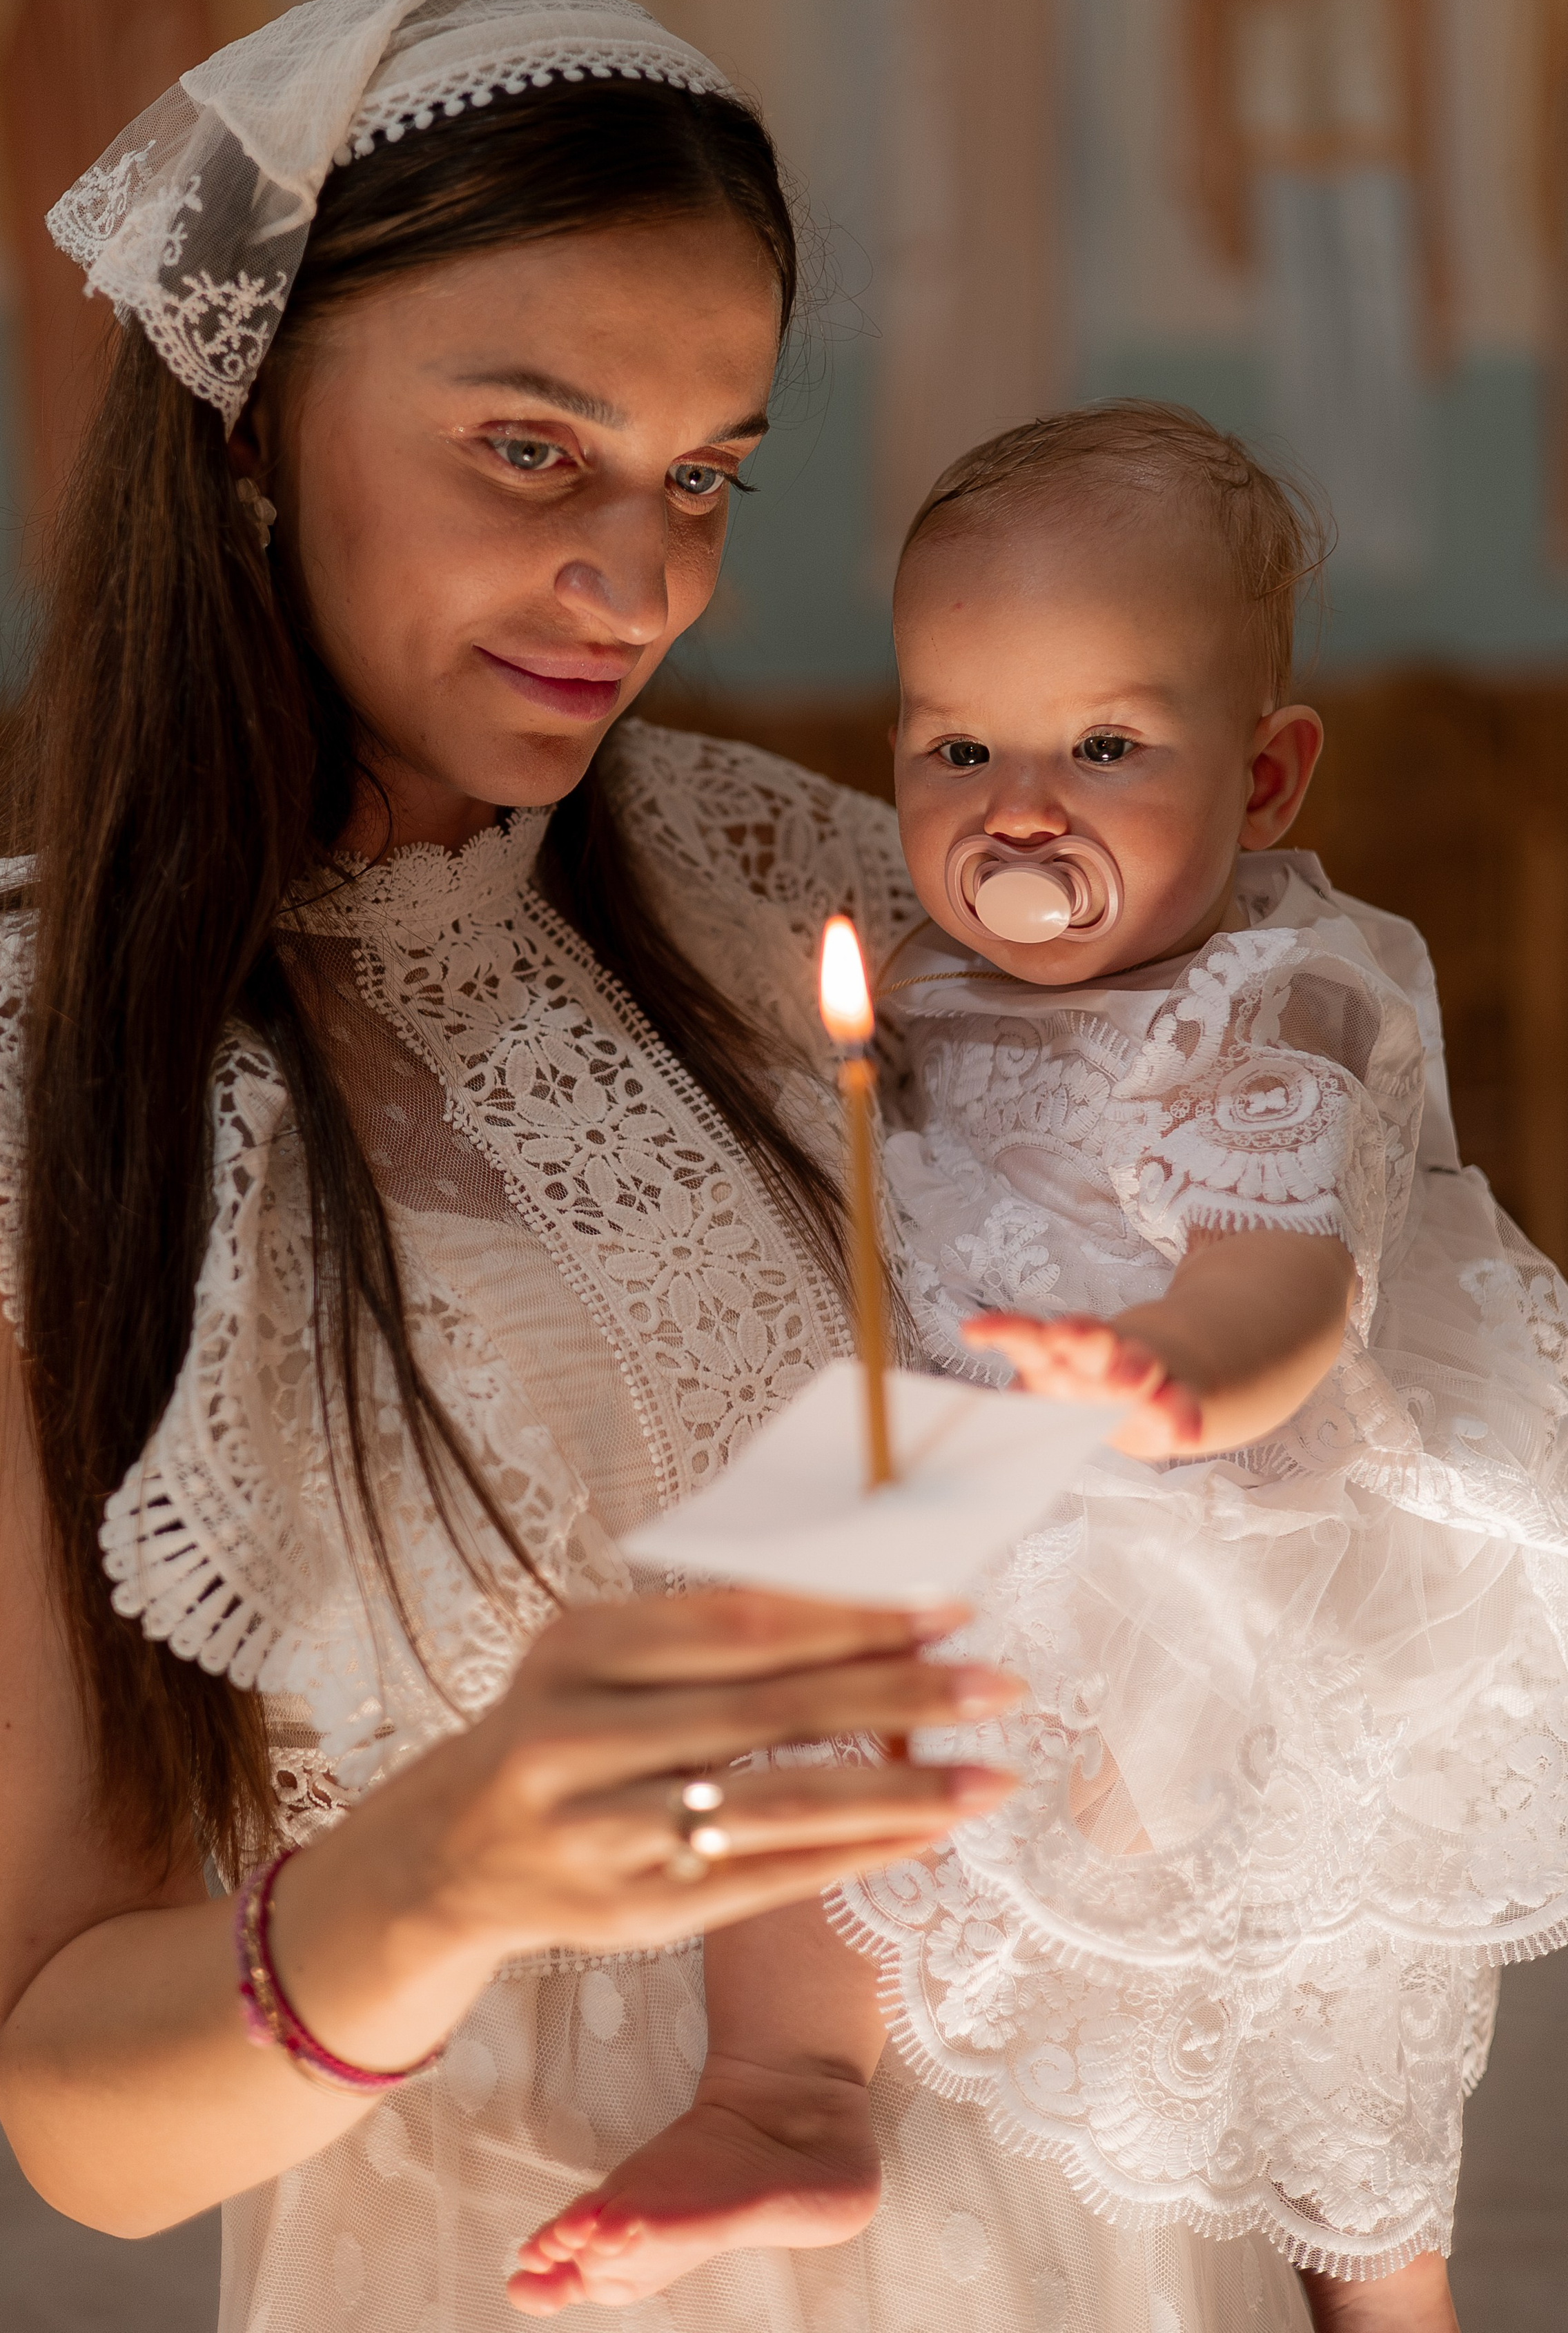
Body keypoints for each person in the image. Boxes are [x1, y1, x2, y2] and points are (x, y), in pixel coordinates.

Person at [0, 0, 1311, 2333]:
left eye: (706, 471)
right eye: (535, 448)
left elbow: (1273, 1190)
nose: (650, 586)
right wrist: (444, 1867)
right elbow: (69, 2101)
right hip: (545, 2249)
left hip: (1091, 2206)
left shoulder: (769, 876)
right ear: (247, 421)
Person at [533, 399, 1568, 2333]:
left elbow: (1290, 1274)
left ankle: (1390, 2288)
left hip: (1223, 1508)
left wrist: (1172, 1371)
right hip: (979, 1469)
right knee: (781, 1645)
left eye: (1105, 746)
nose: (1018, 809)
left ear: (1263, 778)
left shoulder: (1296, 993)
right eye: (956, 747)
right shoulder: (927, 976)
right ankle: (781, 2089)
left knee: (1309, 1997)